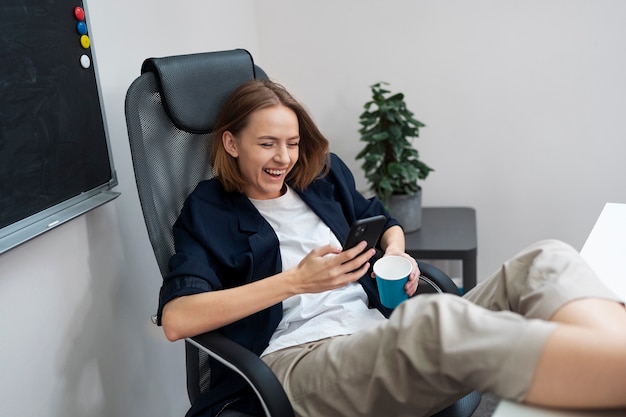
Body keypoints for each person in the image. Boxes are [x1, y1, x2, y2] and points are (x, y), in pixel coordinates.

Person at [157, 79, 626, 417]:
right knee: (444, 320)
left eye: (292, 143)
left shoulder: (319, 178)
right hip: (299, 362)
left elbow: (382, 220)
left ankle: (612, 361)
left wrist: (395, 252)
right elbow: (179, 319)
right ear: (231, 143)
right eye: (267, 144)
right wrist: (295, 282)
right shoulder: (206, 212)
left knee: (544, 261)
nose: (284, 158)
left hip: (373, 331)